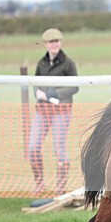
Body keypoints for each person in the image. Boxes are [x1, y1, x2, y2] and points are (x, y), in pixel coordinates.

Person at [29, 28, 79, 195]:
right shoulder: (41, 63)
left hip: (61, 111)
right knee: (33, 148)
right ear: (45, 44)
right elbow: (35, 82)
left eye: (56, 41)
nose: (54, 44)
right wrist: (37, 92)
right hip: (42, 110)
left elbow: (75, 87)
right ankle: (39, 183)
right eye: (51, 42)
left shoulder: (68, 63)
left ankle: (61, 186)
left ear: (60, 42)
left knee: (59, 149)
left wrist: (53, 94)